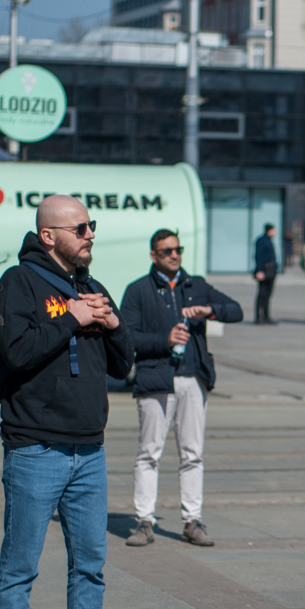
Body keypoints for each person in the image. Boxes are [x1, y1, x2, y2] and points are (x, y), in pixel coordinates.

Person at [0, 195, 137, 609]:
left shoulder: (92, 286)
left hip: (89, 451)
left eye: (91, 225)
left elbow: (123, 367)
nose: (90, 234)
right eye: (80, 227)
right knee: (21, 564)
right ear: (49, 235)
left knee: (91, 562)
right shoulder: (19, 282)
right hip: (35, 447)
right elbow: (17, 351)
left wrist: (114, 326)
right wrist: (72, 319)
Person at [121, 229, 244, 549]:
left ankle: (193, 521)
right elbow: (126, 338)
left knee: (192, 454)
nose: (174, 255)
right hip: (155, 381)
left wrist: (209, 311)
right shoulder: (138, 291)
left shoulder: (196, 286)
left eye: (177, 249)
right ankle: (144, 522)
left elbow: (237, 310)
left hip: (192, 378)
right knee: (149, 453)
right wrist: (165, 340)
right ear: (154, 255)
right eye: (166, 251)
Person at [253, 224, 277, 325]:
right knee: (262, 294)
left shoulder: (269, 241)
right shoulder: (261, 241)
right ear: (269, 230)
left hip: (271, 271)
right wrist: (259, 270)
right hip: (264, 270)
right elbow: (258, 256)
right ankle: (258, 316)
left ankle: (266, 316)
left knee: (268, 294)